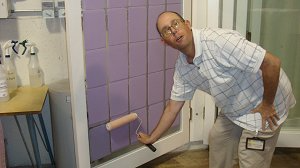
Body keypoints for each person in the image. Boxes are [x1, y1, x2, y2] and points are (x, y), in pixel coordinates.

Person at [137, 11, 296, 168]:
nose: (173, 31)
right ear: (164, 41)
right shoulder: (183, 69)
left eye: (175, 23)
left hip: (267, 101)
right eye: (166, 30)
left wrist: (267, 104)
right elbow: (173, 107)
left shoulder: (219, 41)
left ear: (187, 24)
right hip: (236, 105)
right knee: (218, 140)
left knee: (250, 156)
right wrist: (152, 138)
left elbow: (272, 63)